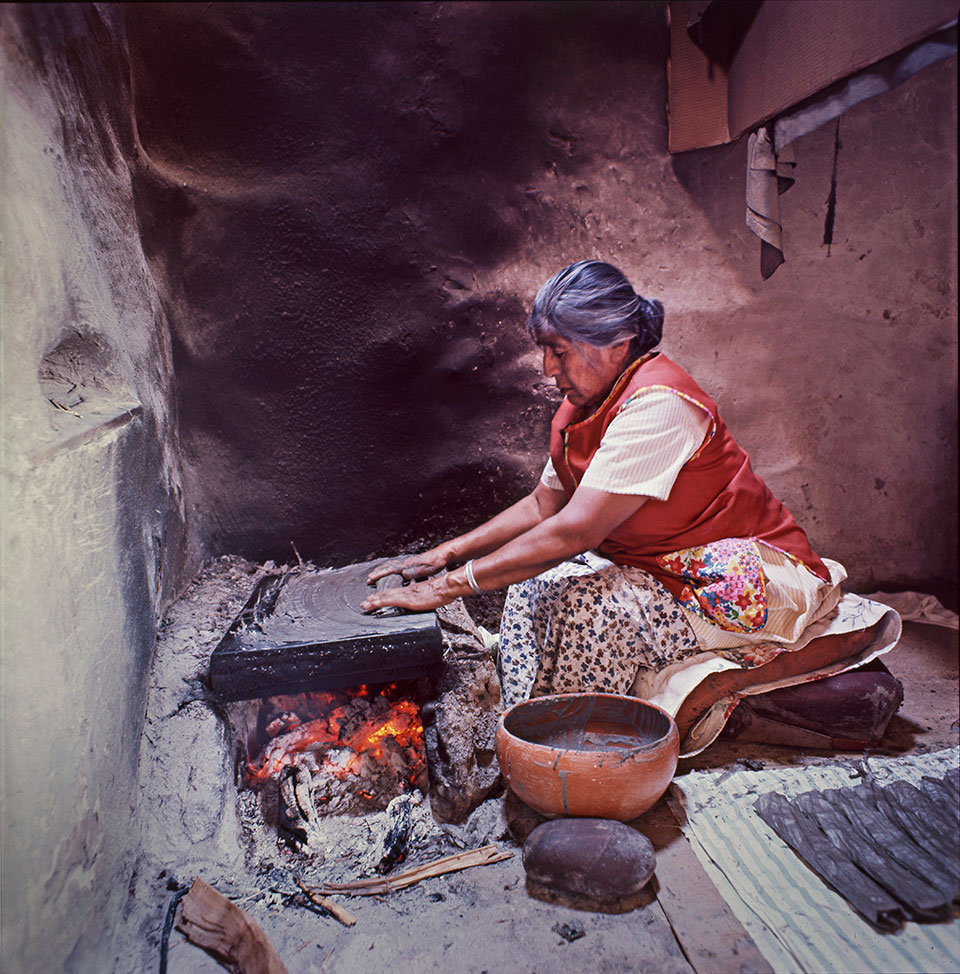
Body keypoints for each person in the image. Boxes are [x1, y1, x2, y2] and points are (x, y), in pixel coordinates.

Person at [362, 260, 899, 748]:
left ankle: (578, 745)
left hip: (744, 568)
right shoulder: (583, 406)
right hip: (665, 561)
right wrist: (444, 556)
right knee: (532, 586)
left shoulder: (659, 404)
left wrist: (445, 589)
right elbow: (545, 505)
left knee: (587, 610)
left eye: (560, 350)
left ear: (617, 343)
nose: (548, 369)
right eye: (544, 349)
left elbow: (573, 533)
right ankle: (524, 719)